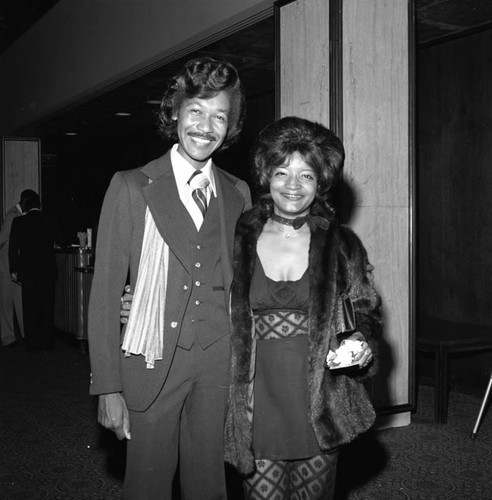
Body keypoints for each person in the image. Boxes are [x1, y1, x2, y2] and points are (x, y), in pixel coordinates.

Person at [88, 56, 251, 499]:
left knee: (209, 486)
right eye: (196, 111)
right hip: (152, 360)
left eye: (220, 116)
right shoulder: (131, 186)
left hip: (218, 362)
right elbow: (104, 295)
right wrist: (107, 386)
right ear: (175, 112)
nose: (206, 126)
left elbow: (243, 281)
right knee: (147, 486)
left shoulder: (238, 193)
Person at [223, 116, 382, 499]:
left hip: (319, 400)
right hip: (255, 399)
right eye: (282, 173)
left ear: (320, 182)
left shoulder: (342, 244)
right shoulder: (237, 235)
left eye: (306, 176)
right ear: (267, 176)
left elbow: (367, 311)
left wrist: (361, 339)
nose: (293, 186)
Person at [8, 189, 58, 352]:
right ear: (39, 205)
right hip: (48, 271)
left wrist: (14, 269)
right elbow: (59, 241)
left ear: (26, 206)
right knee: (47, 307)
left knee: (30, 308)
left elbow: (13, 248)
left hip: (28, 271)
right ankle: (47, 342)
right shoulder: (49, 220)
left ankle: (32, 343)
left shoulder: (18, 222)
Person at [0, 202, 24, 347]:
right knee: (6, 304)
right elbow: (1, 238)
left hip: (13, 266)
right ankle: (8, 337)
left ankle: (22, 334)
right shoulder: (12, 216)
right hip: (6, 266)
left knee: (18, 302)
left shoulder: (15, 214)